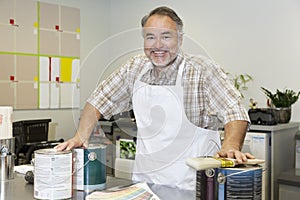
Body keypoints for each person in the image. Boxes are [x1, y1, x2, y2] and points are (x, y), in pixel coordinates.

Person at [55, 6, 253, 190]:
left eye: (166, 37)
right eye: (150, 37)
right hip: (146, 182)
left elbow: (234, 111)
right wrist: (81, 135)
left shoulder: (202, 71)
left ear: (180, 39)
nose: (158, 45)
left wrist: (230, 146)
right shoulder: (135, 68)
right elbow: (98, 100)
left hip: (193, 185)